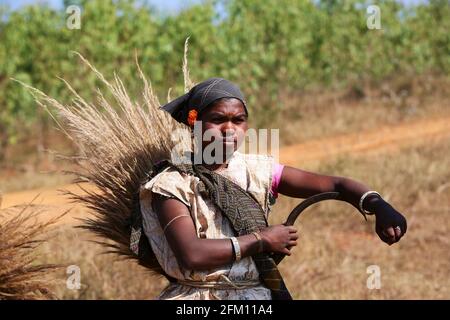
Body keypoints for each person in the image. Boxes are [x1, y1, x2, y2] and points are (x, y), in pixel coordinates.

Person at [138, 77, 407, 300]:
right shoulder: (172, 183)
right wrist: (262, 240)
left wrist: (378, 205)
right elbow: (192, 254)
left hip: (257, 294)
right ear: (194, 123)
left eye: (239, 120)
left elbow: (337, 185)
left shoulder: (259, 171)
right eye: (218, 119)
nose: (229, 129)